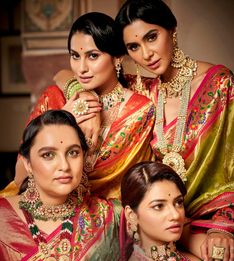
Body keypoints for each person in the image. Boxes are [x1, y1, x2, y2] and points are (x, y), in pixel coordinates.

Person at [50, 0, 234, 261]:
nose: (146, 54)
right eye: (134, 47)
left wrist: (223, 226)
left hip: (207, 219)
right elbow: (63, 75)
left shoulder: (217, 84)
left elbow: (231, 164)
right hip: (156, 219)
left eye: (151, 37)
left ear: (171, 31)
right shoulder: (141, 91)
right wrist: (85, 100)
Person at [1, 12, 155, 200]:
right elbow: (19, 176)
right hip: (50, 212)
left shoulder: (139, 111)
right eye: (75, 56)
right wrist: (60, 121)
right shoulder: (54, 97)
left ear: (118, 58)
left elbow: (138, 184)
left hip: (108, 219)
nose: (81, 68)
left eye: (92, 56)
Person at [0, 109, 127, 261]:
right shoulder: (2, 218)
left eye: (73, 153)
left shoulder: (111, 216)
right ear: (28, 163)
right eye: (48, 155)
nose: (64, 166)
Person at [109, 161, 219, 261]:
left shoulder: (198, 248)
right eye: (159, 206)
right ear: (131, 215)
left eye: (178, 202)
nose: (175, 215)